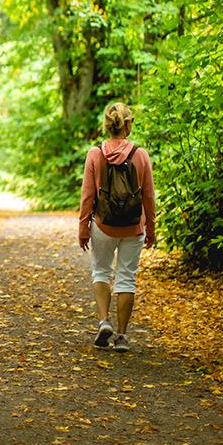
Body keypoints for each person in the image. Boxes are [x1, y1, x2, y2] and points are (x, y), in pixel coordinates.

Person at [78, 102, 156, 352]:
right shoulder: (141, 155)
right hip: (133, 226)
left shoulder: (95, 154)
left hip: (103, 224)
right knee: (126, 279)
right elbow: (149, 197)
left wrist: (83, 228)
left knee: (101, 272)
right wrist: (151, 228)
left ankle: (104, 322)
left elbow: (88, 196)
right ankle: (121, 336)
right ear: (128, 124)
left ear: (107, 124)